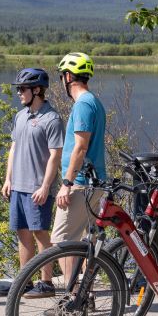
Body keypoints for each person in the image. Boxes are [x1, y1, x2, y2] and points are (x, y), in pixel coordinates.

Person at [2, 68, 64, 298]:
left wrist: (46, 187)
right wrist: (8, 179)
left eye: (22, 89)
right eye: (18, 89)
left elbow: (55, 156)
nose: (19, 93)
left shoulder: (52, 119)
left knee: (40, 234)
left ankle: (46, 283)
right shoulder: (20, 116)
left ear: (36, 90)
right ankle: (24, 282)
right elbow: (14, 148)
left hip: (38, 188)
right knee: (22, 233)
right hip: (18, 186)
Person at [51, 53, 106, 254]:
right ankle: (84, 285)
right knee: (88, 240)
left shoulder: (83, 104)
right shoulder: (94, 102)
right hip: (95, 181)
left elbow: (81, 147)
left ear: (68, 77)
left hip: (81, 183)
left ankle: (71, 287)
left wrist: (67, 184)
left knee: (62, 242)